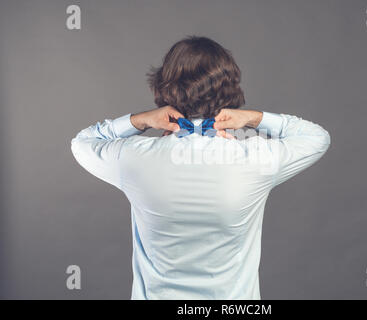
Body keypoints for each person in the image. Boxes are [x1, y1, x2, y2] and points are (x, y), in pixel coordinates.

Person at [71, 35, 331, 299]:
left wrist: (141, 121)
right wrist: (252, 118)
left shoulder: (133, 158)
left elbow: (82, 142)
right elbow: (317, 138)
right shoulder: (255, 157)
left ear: (162, 88)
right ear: (230, 89)